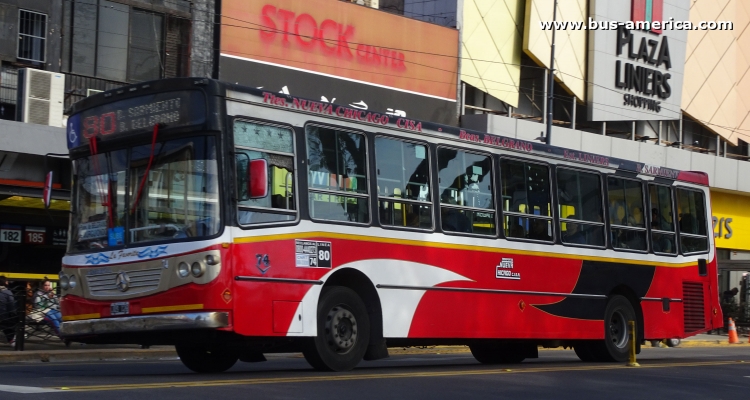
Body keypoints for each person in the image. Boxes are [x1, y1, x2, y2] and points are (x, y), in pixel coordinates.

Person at [0, 276, 17, 347]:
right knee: (10, 325)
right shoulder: (7, 292)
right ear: (5, 282)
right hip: (4, 316)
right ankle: (12, 340)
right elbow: (11, 305)